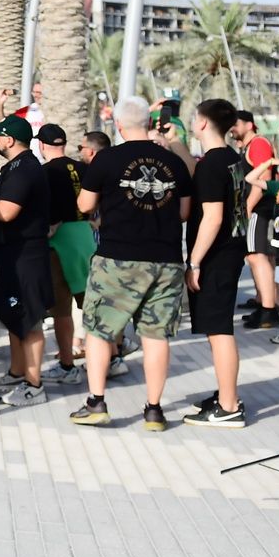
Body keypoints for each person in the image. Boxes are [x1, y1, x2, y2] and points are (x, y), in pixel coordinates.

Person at [70, 96, 193, 432]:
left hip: (117, 258)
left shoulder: (106, 159)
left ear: (119, 126)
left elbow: (84, 204)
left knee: (99, 330)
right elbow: (184, 212)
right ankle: (154, 410)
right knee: (156, 336)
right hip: (166, 260)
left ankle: (96, 402)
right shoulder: (174, 163)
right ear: (149, 124)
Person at [181, 99, 250, 429]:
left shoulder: (211, 164)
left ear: (203, 123)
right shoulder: (230, 158)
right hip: (231, 250)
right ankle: (226, 393)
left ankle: (229, 405)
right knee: (217, 328)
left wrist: (194, 262)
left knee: (219, 330)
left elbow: (213, 217)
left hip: (216, 255)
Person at [0, 116, 52, 408]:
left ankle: (34, 385)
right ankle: (17, 372)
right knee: (13, 314)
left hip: (26, 256)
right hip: (11, 254)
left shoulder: (26, 169)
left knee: (29, 319)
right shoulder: (14, 167)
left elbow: (7, 210)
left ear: (9, 140)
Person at [37, 125, 90, 385]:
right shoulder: (83, 167)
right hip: (86, 236)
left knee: (61, 309)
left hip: (60, 241)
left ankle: (67, 365)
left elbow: (47, 210)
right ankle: (111, 358)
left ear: (41, 145)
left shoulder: (45, 171)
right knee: (92, 305)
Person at [234, 110, 279, 331]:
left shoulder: (258, 144)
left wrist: (247, 208)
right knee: (258, 256)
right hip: (257, 209)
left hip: (259, 209)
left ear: (249, 124)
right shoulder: (248, 146)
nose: (232, 128)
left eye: (236, 123)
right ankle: (265, 302)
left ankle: (269, 309)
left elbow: (262, 179)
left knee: (257, 256)